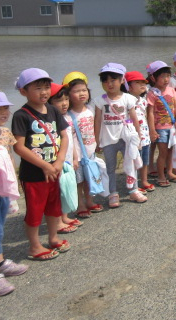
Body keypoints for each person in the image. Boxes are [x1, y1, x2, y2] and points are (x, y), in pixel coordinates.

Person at [11, 68, 70, 260]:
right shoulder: (21, 115)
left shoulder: (53, 109)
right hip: (34, 173)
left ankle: (53, 237)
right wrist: (44, 166)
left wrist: (59, 161)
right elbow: (19, 147)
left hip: (55, 169)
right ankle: (35, 246)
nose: (44, 92)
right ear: (23, 91)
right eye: (38, 88)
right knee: (35, 210)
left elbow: (63, 135)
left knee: (54, 206)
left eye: (46, 87)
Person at [0, 88, 28, 296]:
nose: (4, 113)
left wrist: (14, 186)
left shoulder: (5, 133)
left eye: (6, 108)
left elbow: (11, 160)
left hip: (3, 191)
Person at [93, 63, 146, 206]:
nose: (109, 84)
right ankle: (113, 193)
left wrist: (139, 137)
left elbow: (134, 119)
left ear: (122, 80)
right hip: (108, 139)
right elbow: (97, 121)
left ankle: (133, 190)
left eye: (113, 80)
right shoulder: (99, 101)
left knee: (131, 163)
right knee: (110, 167)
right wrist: (96, 140)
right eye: (105, 81)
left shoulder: (128, 98)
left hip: (126, 138)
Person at [62, 72, 103, 218]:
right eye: (76, 91)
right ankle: (80, 204)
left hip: (90, 151)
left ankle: (90, 201)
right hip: (77, 155)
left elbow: (95, 127)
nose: (81, 94)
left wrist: (98, 143)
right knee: (78, 181)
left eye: (84, 90)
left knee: (89, 177)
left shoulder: (90, 110)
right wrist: (72, 158)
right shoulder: (68, 115)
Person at [47, 84, 82, 234]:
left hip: (68, 161)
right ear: (49, 102)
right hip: (57, 162)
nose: (65, 103)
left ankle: (64, 216)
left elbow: (72, 140)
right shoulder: (50, 120)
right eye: (59, 100)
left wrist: (75, 158)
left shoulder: (68, 117)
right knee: (58, 192)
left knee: (66, 189)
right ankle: (58, 221)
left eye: (67, 99)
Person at [145, 61, 176, 187]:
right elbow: (149, 113)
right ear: (153, 78)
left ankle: (169, 172)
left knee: (171, 151)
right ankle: (161, 176)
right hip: (160, 128)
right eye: (162, 76)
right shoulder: (152, 93)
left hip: (171, 127)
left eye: (168, 76)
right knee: (163, 152)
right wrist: (152, 130)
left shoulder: (171, 90)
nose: (166, 79)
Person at [125, 71, 155, 193]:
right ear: (129, 86)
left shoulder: (143, 100)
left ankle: (144, 180)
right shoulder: (126, 100)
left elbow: (147, 115)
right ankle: (134, 184)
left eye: (144, 83)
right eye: (138, 83)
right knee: (133, 160)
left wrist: (151, 131)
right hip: (133, 136)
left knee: (145, 159)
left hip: (145, 134)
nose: (143, 85)